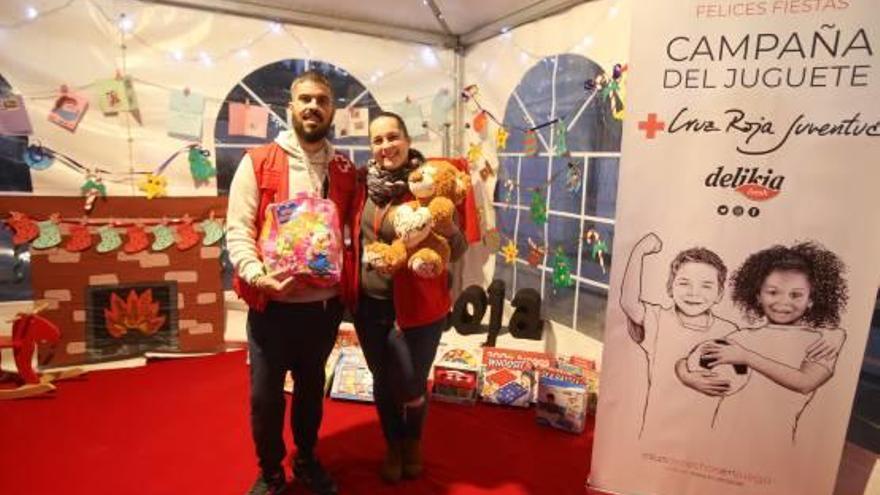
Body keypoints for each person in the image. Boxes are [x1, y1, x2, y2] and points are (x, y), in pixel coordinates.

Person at [226, 70, 358, 495]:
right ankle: (269, 470)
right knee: (265, 398)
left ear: (332, 108)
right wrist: (258, 277)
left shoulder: (343, 168)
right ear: (290, 108)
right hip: (271, 305)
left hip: (323, 308)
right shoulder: (258, 161)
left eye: (321, 99)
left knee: (310, 390)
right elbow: (238, 230)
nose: (313, 107)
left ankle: (306, 457)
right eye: (305, 99)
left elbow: (352, 232)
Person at [348, 112, 467, 484]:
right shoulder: (361, 186)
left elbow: (459, 248)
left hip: (420, 308)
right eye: (378, 140)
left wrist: (447, 226)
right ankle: (394, 444)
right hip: (370, 305)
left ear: (407, 138)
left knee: (412, 382)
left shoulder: (429, 185)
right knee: (382, 379)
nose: (386, 147)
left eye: (392, 137)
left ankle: (413, 439)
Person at [695, 242, 847, 446]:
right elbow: (692, 359)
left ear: (811, 299)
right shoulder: (741, 337)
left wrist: (746, 357)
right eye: (773, 292)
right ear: (757, 295)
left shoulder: (822, 343)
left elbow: (805, 383)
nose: (784, 302)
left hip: (773, 446)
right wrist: (689, 377)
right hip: (719, 436)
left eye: (796, 295)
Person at [619, 232, 738, 440]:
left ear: (719, 293)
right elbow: (629, 302)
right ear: (670, 288)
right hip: (657, 431)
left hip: (706, 437)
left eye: (706, 286)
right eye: (684, 283)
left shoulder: (729, 331)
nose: (694, 293)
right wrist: (639, 251)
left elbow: (739, 378)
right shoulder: (658, 319)